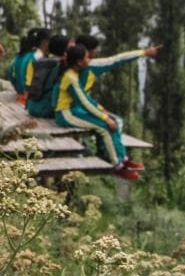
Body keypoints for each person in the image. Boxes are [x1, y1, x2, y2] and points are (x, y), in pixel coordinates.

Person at [53, 45, 140, 180]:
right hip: (65, 115)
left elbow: (86, 100)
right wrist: (105, 118)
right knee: (104, 127)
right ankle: (116, 165)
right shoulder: (71, 78)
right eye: (86, 58)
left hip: (73, 111)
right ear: (79, 62)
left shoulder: (74, 74)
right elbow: (84, 102)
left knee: (113, 121)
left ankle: (122, 158)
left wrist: (104, 115)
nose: (89, 60)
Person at [75, 34, 160, 95]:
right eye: (94, 49)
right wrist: (144, 52)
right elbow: (118, 59)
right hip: (76, 110)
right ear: (87, 51)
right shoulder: (91, 66)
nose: (95, 52)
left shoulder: (68, 61)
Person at [26, 34, 69, 118]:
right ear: (65, 51)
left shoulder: (39, 61)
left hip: (31, 108)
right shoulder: (61, 65)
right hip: (47, 111)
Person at [10, 28, 51, 104]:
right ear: (45, 42)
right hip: (29, 99)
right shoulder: (38, 58)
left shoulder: (29, 55)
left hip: (23, 95)